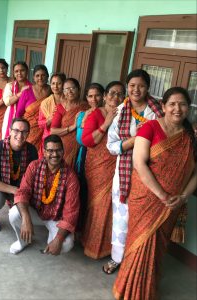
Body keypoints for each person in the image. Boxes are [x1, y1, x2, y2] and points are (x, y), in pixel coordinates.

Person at [113, 87, 197, 300]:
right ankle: (128, 290)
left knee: (158, 247)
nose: (177, 109)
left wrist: (184, 197)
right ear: (163, 106)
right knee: (139, 244)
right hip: (146, 198)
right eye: (172, 104)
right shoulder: (150, 127)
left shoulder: (191, 137)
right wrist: (162, 195)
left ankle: (146, 290)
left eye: (183, 104)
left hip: (173, 204)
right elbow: (139, 164)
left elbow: (196, 172)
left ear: (189, 108)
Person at [103, 69, 163, 274]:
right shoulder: (120, 111)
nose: (136, 90)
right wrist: (134, 141)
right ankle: (117, 258)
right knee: (121, 216)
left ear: (148, 88)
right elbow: (111, 146)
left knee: (144, 217)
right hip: (125, 173)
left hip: (152, 172)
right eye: (132, 86)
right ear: (127, 87)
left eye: (141, 86)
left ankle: (138, 261)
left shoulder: (157, 111)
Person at [8, 134, 80, 255]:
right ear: (44, 152)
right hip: (35, 212)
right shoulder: (34, 166)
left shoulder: (71, 177)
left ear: (63, 152)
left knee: (66, 244)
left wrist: (58, 239)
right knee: (14, 213)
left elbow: (71, 213)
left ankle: (52, 239)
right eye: (50, 151)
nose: (55, 154)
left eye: (58, 150)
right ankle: (23, 241)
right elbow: (23, 192)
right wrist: (26, 219)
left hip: (56, 218)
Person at [80, 81, 125, 259]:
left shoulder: (125, 115)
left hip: (117, 166)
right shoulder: (96, 114)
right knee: (97, 204)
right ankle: (90, 243)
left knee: (111, 205)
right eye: (112, 93)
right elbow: (87, 141)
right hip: (97, 166)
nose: (116, 97)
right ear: (105, 96)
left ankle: (106, 246)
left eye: (120, 94)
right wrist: (106, 123)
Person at [0, 118, 38, 232]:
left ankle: (15, 205)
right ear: (10, 131)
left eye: (24, 132)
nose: (20, 135)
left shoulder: (31, 150)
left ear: (28, 133)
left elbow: (33, 177)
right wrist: (14, 190)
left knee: (34, 202)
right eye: (16, 130)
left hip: (19, 187)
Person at [75, 82, 104, 230]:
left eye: (97, 95)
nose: (94, 99)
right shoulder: (82, 115)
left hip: (105, 160)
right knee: (84, 189)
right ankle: (80, 227)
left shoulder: (109, 114)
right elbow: (80, 139)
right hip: (85, 156)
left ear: (103, 96)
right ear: (86, 98)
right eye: (90, 96)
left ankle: (94, 229)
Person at [50, 78, 88, 168]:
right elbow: (53, 131)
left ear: (78, 89)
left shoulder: (86, 107)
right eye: (66, 89)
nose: (69, 91)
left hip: (81, 148)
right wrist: (72, 127)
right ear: (63, 91)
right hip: (64, 147)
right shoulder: (60, 107)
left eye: (72, 88)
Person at [16, 64, 51, 151]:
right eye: (37, 76)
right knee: (28, 152)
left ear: (47, 76)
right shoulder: (27, 92)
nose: (40, 78)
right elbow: (19, 113)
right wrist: (20, 130)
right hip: (29, 130)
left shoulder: (52, 91)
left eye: (43, 75)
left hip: (46, 129)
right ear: (34, 78)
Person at [38, 72, 66, 158]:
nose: (56, 86)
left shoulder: (68, 101)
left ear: (64, 85)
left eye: (59, 83)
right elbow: (40, 123)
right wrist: (49, 120)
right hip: (49, 137)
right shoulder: (45, 103)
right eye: (53, 83)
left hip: (65, 136)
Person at [2, 61, 32, 139]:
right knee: (8, 142)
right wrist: (21, 93)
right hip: (10, 118)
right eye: (16, 71)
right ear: (14, 73)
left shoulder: (32, 87)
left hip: (27, 120)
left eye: (22, 70)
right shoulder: (10, 86)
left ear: (27, 71)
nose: (19, 73)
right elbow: (7, 102)